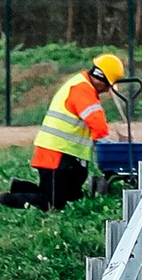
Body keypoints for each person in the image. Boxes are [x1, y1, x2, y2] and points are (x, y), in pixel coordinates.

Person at [29, 48, 125, 209]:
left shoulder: (81, 85)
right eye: (109, 85)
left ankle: (17, 189)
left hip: (64, 155)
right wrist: (110, 148)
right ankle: (2, 200)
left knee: (69, 197)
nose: (108, 90)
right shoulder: (82, 90)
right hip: (56, 155)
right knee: (52, 203)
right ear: (101, 79)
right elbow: (97, 124)